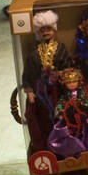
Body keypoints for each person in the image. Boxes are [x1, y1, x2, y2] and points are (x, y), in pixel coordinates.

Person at [21, 9, 73, 153]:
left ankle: (66, 145)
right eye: (42, 30)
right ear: (38, 32)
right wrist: (30, 91)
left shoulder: (61, 48)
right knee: (44, 120)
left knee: (64, 117)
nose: (46, 32)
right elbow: (28, 73)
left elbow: (69, 66)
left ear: (54, 29)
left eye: (48, 28)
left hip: (59, 90)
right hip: (41, 92)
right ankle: (48, 146)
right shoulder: (34, 53)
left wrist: (64, 77)